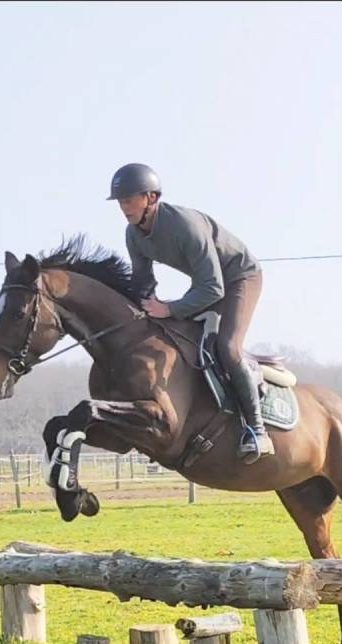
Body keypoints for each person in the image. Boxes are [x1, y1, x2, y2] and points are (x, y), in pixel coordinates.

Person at [107, 163, 272, 461]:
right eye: (120, 201)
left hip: (239, 279)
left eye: (130, 199)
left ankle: (258, 431)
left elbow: (213, 289)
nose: (124, 207)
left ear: (151, 198)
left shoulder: (184, 225)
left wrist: (169, 307)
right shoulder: (133, 235)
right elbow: (143, 282)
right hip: (209, 283)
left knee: (228, 347)